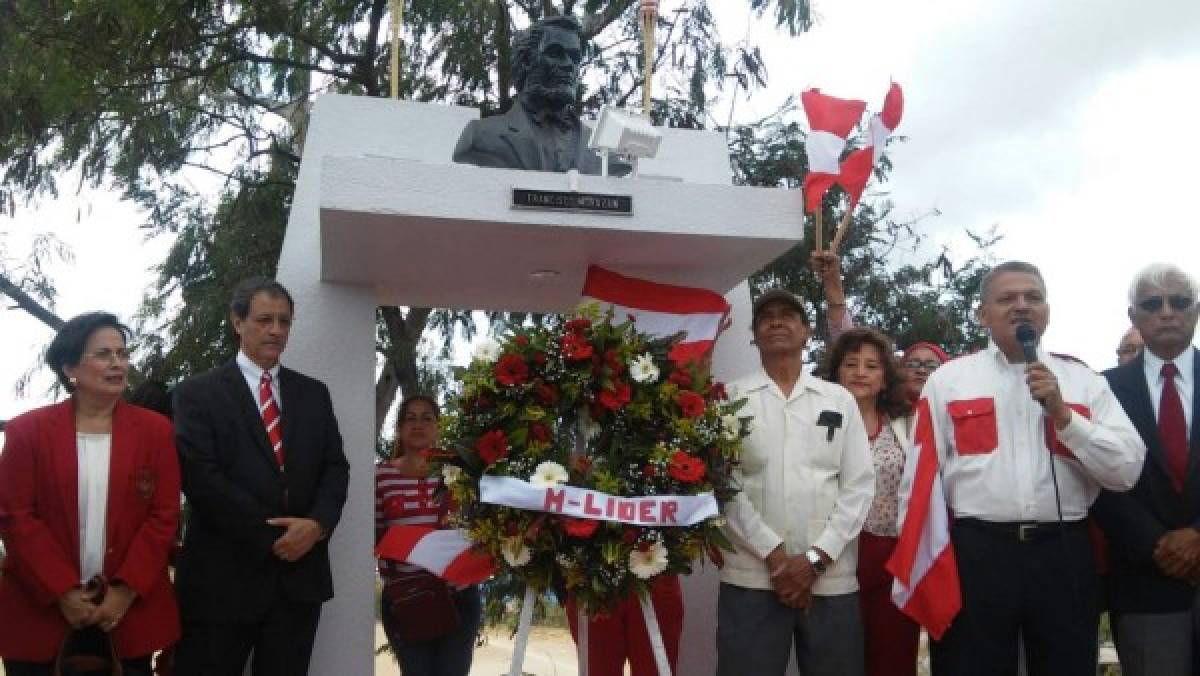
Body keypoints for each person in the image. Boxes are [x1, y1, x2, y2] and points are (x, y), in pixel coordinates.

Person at [907, 261, 1145, 676]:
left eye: (1033, 297)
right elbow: (920, 482)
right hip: (977, 552)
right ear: (983, 314)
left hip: (1063, 550)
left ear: (1047, 311)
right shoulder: (949, 381)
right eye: (1007, 298)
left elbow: (1126, 470)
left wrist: (1064, 415)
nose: (1021, 306)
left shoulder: (1082, 380)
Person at [172, 278, 350, 676]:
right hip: (220, 580)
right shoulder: (196, 394)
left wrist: (317, 526)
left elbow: (335, 468)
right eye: (264, 320)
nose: (276, 330)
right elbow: (201, 479)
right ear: (238, 323)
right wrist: (278, 536)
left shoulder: (314, 394)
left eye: (284, 321)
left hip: (297, 583)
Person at [0, 312, 181, 675]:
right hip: (39, 616)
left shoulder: (155, 431)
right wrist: (63, 591)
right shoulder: (27, 432)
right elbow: (15, 516)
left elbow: (163, 516)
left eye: (123, 354)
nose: (118, 363)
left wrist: (124, 591)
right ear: (70, 368)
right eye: (103, 355)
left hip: (126, 618)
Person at [718, 288, 875, 676]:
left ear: (806, 332)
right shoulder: (730, 400)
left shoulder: (837, 400)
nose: (776, 321)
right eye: (766, 316)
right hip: (751, 576)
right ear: (754, 336)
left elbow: (858, 486)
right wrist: (776, 557)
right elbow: (725, 486)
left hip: (831, 579)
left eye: (788, 315)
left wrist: (815, 560)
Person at [1092, 263, 1200, 676]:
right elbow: (1098, 479)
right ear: (1134, 316)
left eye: (1179, 302)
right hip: (1144, 582)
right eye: (1153, 304)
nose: (1167, 312)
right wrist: (1159, 545)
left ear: (1195, 310)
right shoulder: (1102, 389)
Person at [823, 328, 920, 676]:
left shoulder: (906, 423)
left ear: (885, 377)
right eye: (851, 364)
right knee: (835, 659)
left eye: (871, 366)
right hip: (831, 557)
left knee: (892, 657)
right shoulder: (816, 423)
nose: (860, 372)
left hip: (891, 559)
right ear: (836, 373)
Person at [376, 395, 481, 676]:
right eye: (410, 418)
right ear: (398, 428)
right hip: (408, 601)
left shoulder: (460, 470)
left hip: (458, 598)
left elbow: (480, 527)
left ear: (438, 427)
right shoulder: (381, 476)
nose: (418, 424)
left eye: (427, 418)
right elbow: (375, 536)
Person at [452, 15, 629, 176]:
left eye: (574, 58)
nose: (569, 65)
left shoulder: (604, 152)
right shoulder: (481, 136)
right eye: (555, 53)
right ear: (527, 61)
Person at [811, 251, 949, 401]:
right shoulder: (883, 415)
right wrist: (833, 283)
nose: (921, 370)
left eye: (931, 366)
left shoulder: (953, 416)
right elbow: (847, 339)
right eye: (913, 364)